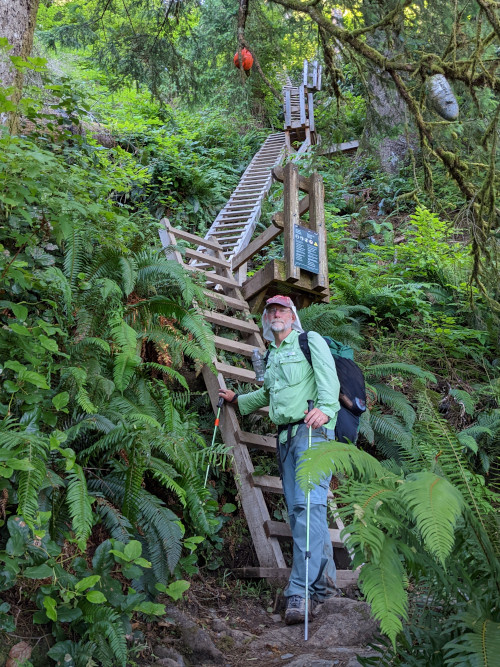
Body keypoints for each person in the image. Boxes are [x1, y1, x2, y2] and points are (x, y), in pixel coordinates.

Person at [219, 295, 340, 625]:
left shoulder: (308, 340)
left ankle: (301, 591)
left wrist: (327, 409)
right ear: (266, 319)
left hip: (312, 433)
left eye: (281, 310)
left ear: (292, 315)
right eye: (270, 310)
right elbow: (269, 394)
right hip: (286, 438)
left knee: (308, 508)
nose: (275, 314)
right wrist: (237, 400)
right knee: (304, 510)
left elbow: (329, 377)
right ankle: (325, 586)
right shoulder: (272, 355)